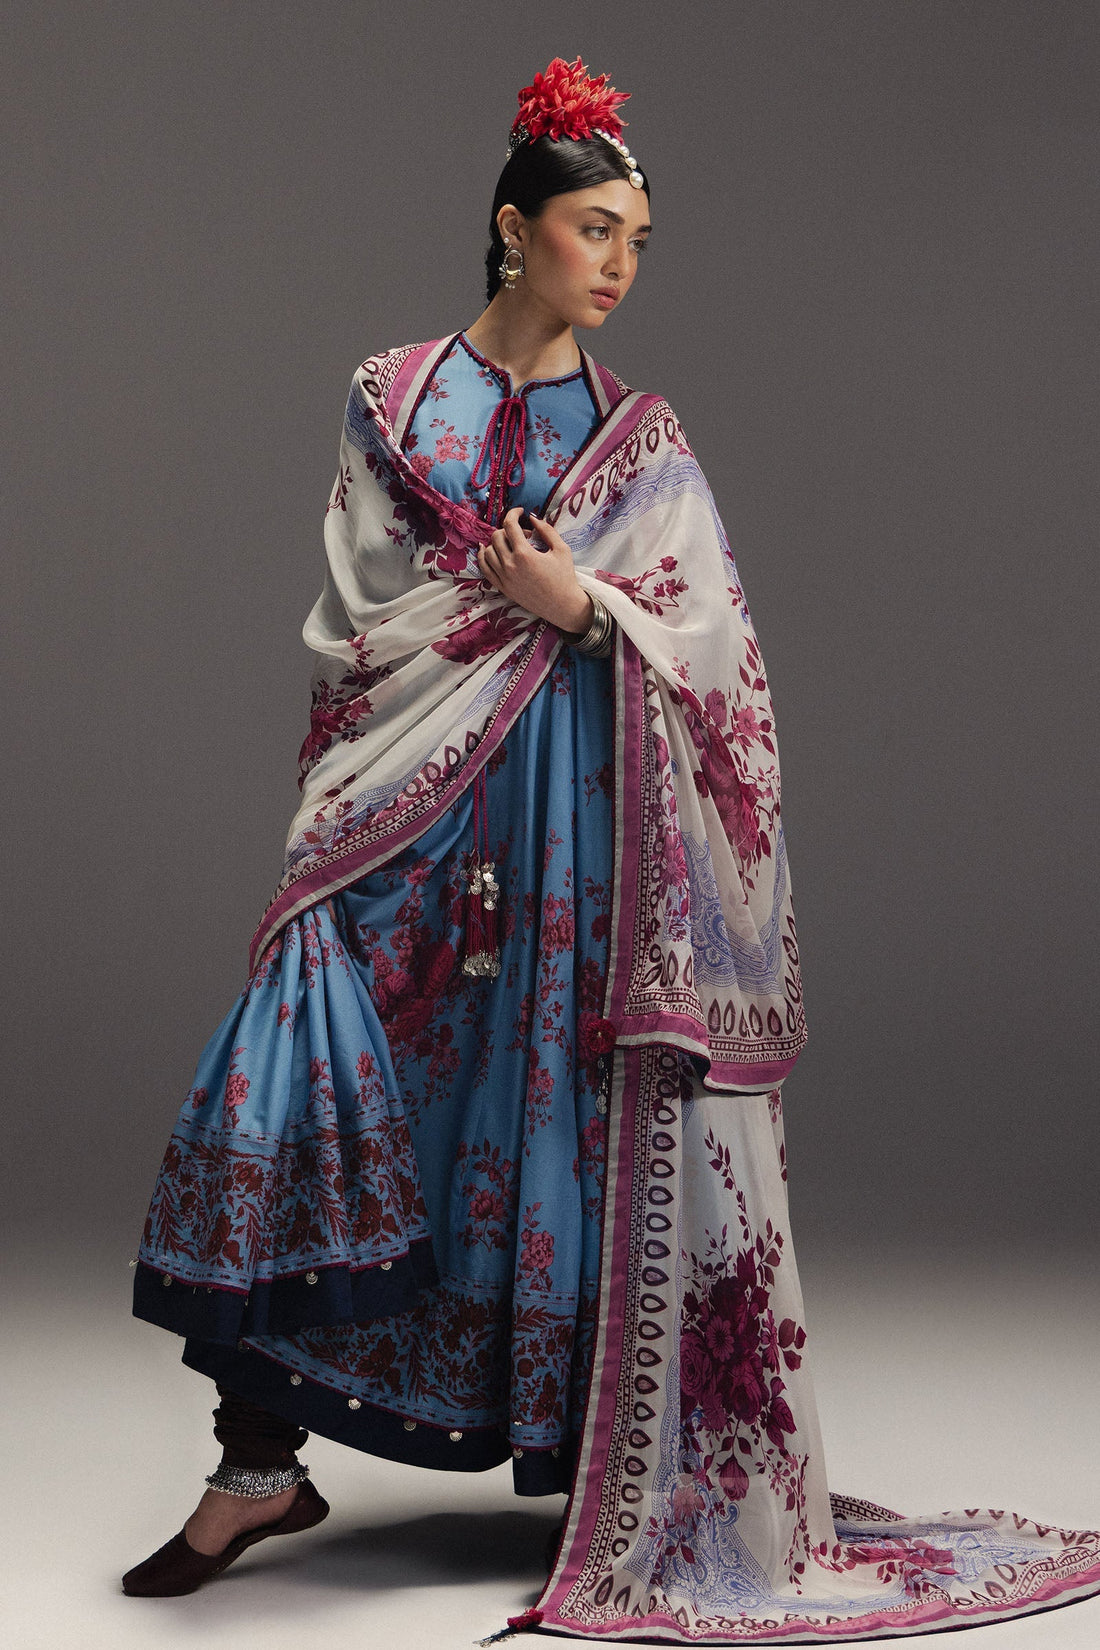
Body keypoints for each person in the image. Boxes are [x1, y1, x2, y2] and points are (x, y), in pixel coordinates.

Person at [123, 55, 1100, 1642]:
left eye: (639, 240)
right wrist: (481, 619)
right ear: (516, 229)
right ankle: (255, 1465)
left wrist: (578, 605)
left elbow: (720, 652)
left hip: (574, 837)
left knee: (554, 1116)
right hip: (403, 810)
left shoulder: (637, 439)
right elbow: (362, 617)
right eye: (596, 230)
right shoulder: (393, 395)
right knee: (307, 1064)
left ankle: (600, 1465)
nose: (621, 264)